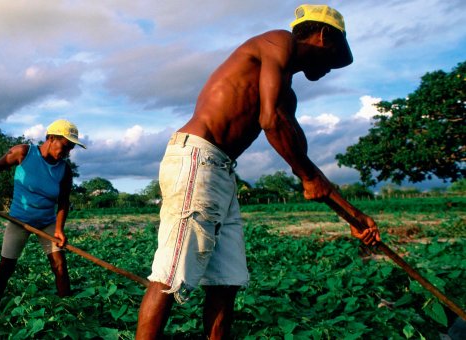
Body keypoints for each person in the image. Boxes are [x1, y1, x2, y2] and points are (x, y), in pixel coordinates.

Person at [135, 5, 381, 339]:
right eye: (334, 56)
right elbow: (270, 123)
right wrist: (309, 176)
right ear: (324, 36)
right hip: (196, 158)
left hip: (221, 171)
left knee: (226, 281)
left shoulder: (285, 98)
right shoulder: (277, 42)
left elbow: (301, 163)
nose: (330, 69)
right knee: (169, 276)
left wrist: (355, 215)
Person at [0, 119, 85, 315]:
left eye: (71, 149)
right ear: (50, 138)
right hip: (19, 220)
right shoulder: (23, 153)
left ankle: (68, 311)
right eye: (65, 146)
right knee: (7, 264)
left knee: (60, 264)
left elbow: (63, 201)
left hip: (46, 222)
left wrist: (59, 229)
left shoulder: (64, 170)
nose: (67, 153)